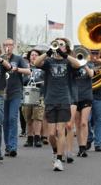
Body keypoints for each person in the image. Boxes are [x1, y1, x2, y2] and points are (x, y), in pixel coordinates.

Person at [34, 38, 81, 171]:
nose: (59, 47)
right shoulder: (49, 61)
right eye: (57, 44)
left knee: (61, 130)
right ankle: (55, 151)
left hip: (64, 99)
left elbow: (78, 64)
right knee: (50, 134)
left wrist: (65, 55)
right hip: (50, 99)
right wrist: (48, 52)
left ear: (65, 48)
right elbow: (36, 63)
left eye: (61, 45)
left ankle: (59, 159)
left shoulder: (68, 61)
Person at [1, 38, 30, 157]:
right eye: (6, 45)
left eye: (10, 45)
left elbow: (28, 71)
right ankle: (8, 146)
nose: (8, 47)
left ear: (13, 46)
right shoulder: (0, 58)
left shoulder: (18, 59)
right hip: (3, 93)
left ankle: (13, 147)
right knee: (5, 121)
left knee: (13, 118)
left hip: (15, 92)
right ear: (4, 46)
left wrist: (17, 69)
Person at [22, 49, 45, 148]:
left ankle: (37, 137)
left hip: (39, 95)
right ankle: (29, 138)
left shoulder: (43, 68)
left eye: (36, 55)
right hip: (27, 95)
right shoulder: (25, 68)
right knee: (28, 117)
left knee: (38, 117)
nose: (34, 56)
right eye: (32, 55)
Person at [72, 54, 94, 157]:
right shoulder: (73, 66)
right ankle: (80, 147)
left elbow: (91, 74)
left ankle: (84, 147)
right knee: (77, 123)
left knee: (84, 123)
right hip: (75, 96)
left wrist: (84, 65)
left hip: (86, 96)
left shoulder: (89, 65)